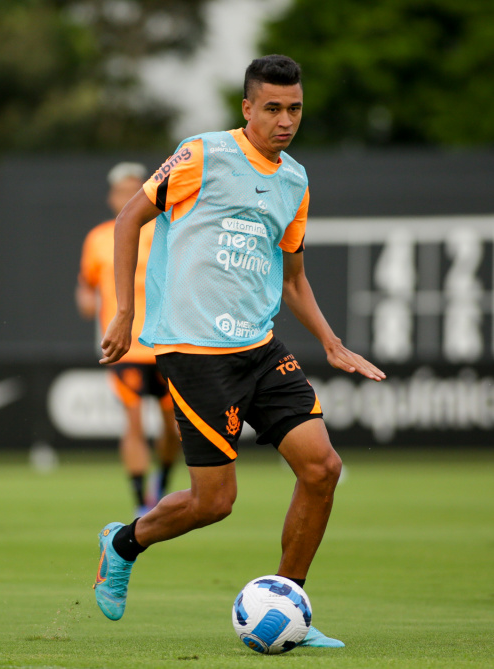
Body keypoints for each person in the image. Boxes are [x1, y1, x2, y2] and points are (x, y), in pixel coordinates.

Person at [92, 55, 385, 648]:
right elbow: (128, 222)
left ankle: (289, 605)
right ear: (247, 107)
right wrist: (126, 312)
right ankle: (123, 544)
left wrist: (331, 342)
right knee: (214, 502)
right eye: (272, 108)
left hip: (260, 346)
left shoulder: (296, 180)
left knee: (322, 469)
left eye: (294, 108)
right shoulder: (201, 154)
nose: (284, 120)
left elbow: (294, 277)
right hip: (195, 352)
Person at [76, 162, 182, 516]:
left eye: (134, 188)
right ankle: (140, 501)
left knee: (172, 428)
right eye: (122, 190)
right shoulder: (98, 238)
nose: (127, 196)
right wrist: (88, 299)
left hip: (167, 343)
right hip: (125, 347)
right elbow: (86, 283)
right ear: (111, 196)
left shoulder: (167, 230)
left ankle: (163, 480)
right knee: (133, 420)